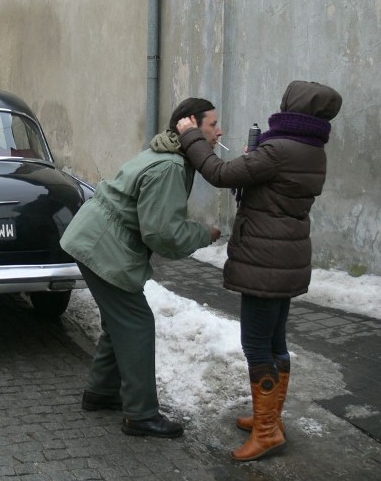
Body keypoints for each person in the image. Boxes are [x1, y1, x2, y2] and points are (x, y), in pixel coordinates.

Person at [177, 80, 342, 461]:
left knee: (256, 345)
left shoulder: (280, 149)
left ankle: (267, 432)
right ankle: (271, 418)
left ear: (294, 107)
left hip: (265, 259)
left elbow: (220, 173)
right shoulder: (311, 148)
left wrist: (191, 137)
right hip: (286, 255)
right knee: (275, 342)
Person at [60, 98, 222, 438]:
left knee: (120, 322)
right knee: (136, 324)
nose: (219, 132)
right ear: (190, 124)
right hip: (103, 247)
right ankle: (141, 414)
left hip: (94, 240)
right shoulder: (170, 167)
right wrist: (202, 234)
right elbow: (162, 233)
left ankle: (101, 393)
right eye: (212, 125)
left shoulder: (165, 153)